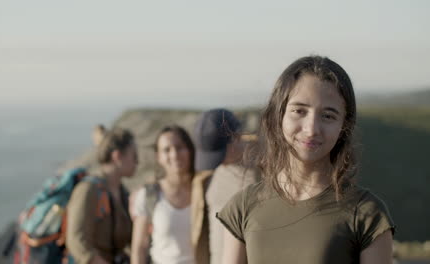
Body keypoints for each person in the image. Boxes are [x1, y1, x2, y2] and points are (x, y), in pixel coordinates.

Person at [217, 55, 396, 264]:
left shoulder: (366, 214)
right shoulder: (243, 207)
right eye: (299, 111)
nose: (311, 129)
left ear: (343, 126)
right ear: (279, 115)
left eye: (328, 116)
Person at [191, 109, 258, 264]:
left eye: (219, 154)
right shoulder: (211, 173)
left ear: (236, 137)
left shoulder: (264, 169)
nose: (217, 162)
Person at [66, 128, 138, 264]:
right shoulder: (88, 190)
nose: (137, 162)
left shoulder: (123, 192)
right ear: (117, 156)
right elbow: (77, 241)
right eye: (134, 156)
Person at [131, 125, 196, 264]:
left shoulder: (204, 190)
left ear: (190, 150)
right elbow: (139, 248)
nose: (174, 154)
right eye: (167, 150)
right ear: (158, 157)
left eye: (179, 147)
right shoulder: (149, 194)